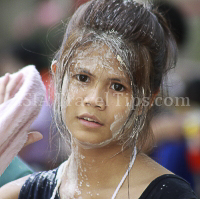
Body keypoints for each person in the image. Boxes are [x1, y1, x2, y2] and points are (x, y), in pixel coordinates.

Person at [0, 0, 197, 198]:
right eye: (83, 78)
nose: (94, 100)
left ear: (145, 101)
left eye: (117, 87)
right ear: (58, 77)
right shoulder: (19, 194)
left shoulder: (171, 195)